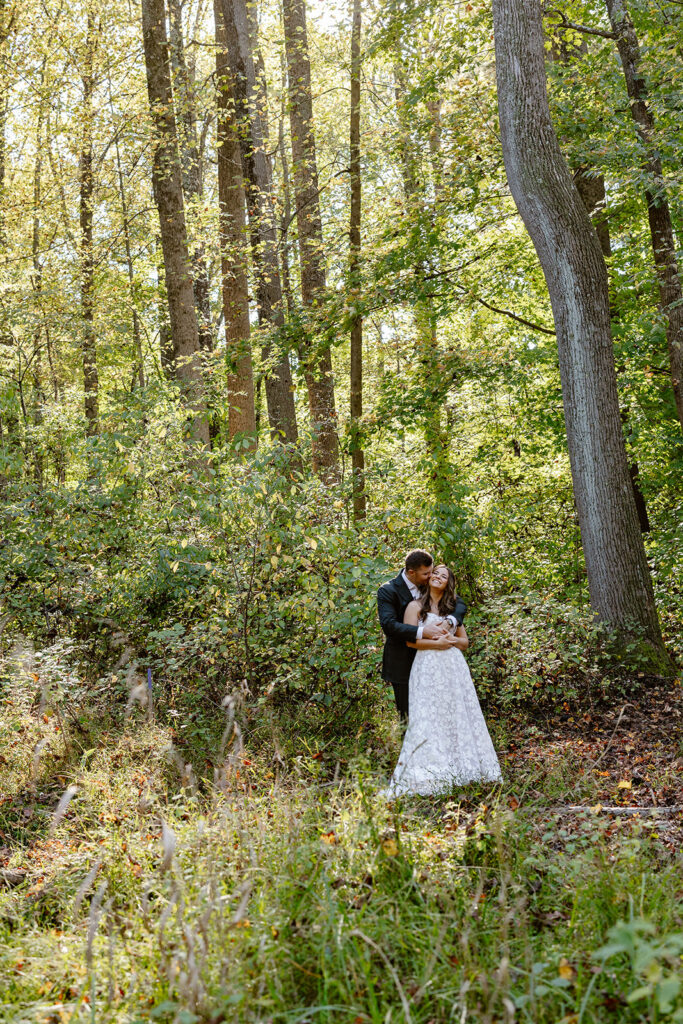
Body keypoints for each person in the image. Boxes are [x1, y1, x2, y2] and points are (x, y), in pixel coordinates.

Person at [385, 563, 502, 797]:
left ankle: (462, 768)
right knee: (428, 715)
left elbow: (464, 642)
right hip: (427, 666)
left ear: (448, 582)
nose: (438, 576)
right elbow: (411, 641)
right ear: (428, 579)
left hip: (453, 666)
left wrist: (449, 640)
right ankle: (431, 770)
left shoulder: (452, 609)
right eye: (435, 573)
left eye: (443, 575)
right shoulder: (415, 606)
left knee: (456, 713)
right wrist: (436, 644)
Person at [377, 549, 467, 720]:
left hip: (434, 664)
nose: (431, 576)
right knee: (409, 716)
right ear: (412, 572)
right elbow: (389, 625)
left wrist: (450, 621)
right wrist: (422, 632)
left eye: (432, 571)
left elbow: (459, 603)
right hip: (402, 661)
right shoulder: (388, 591)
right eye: (426, 573)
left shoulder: (430, 583)